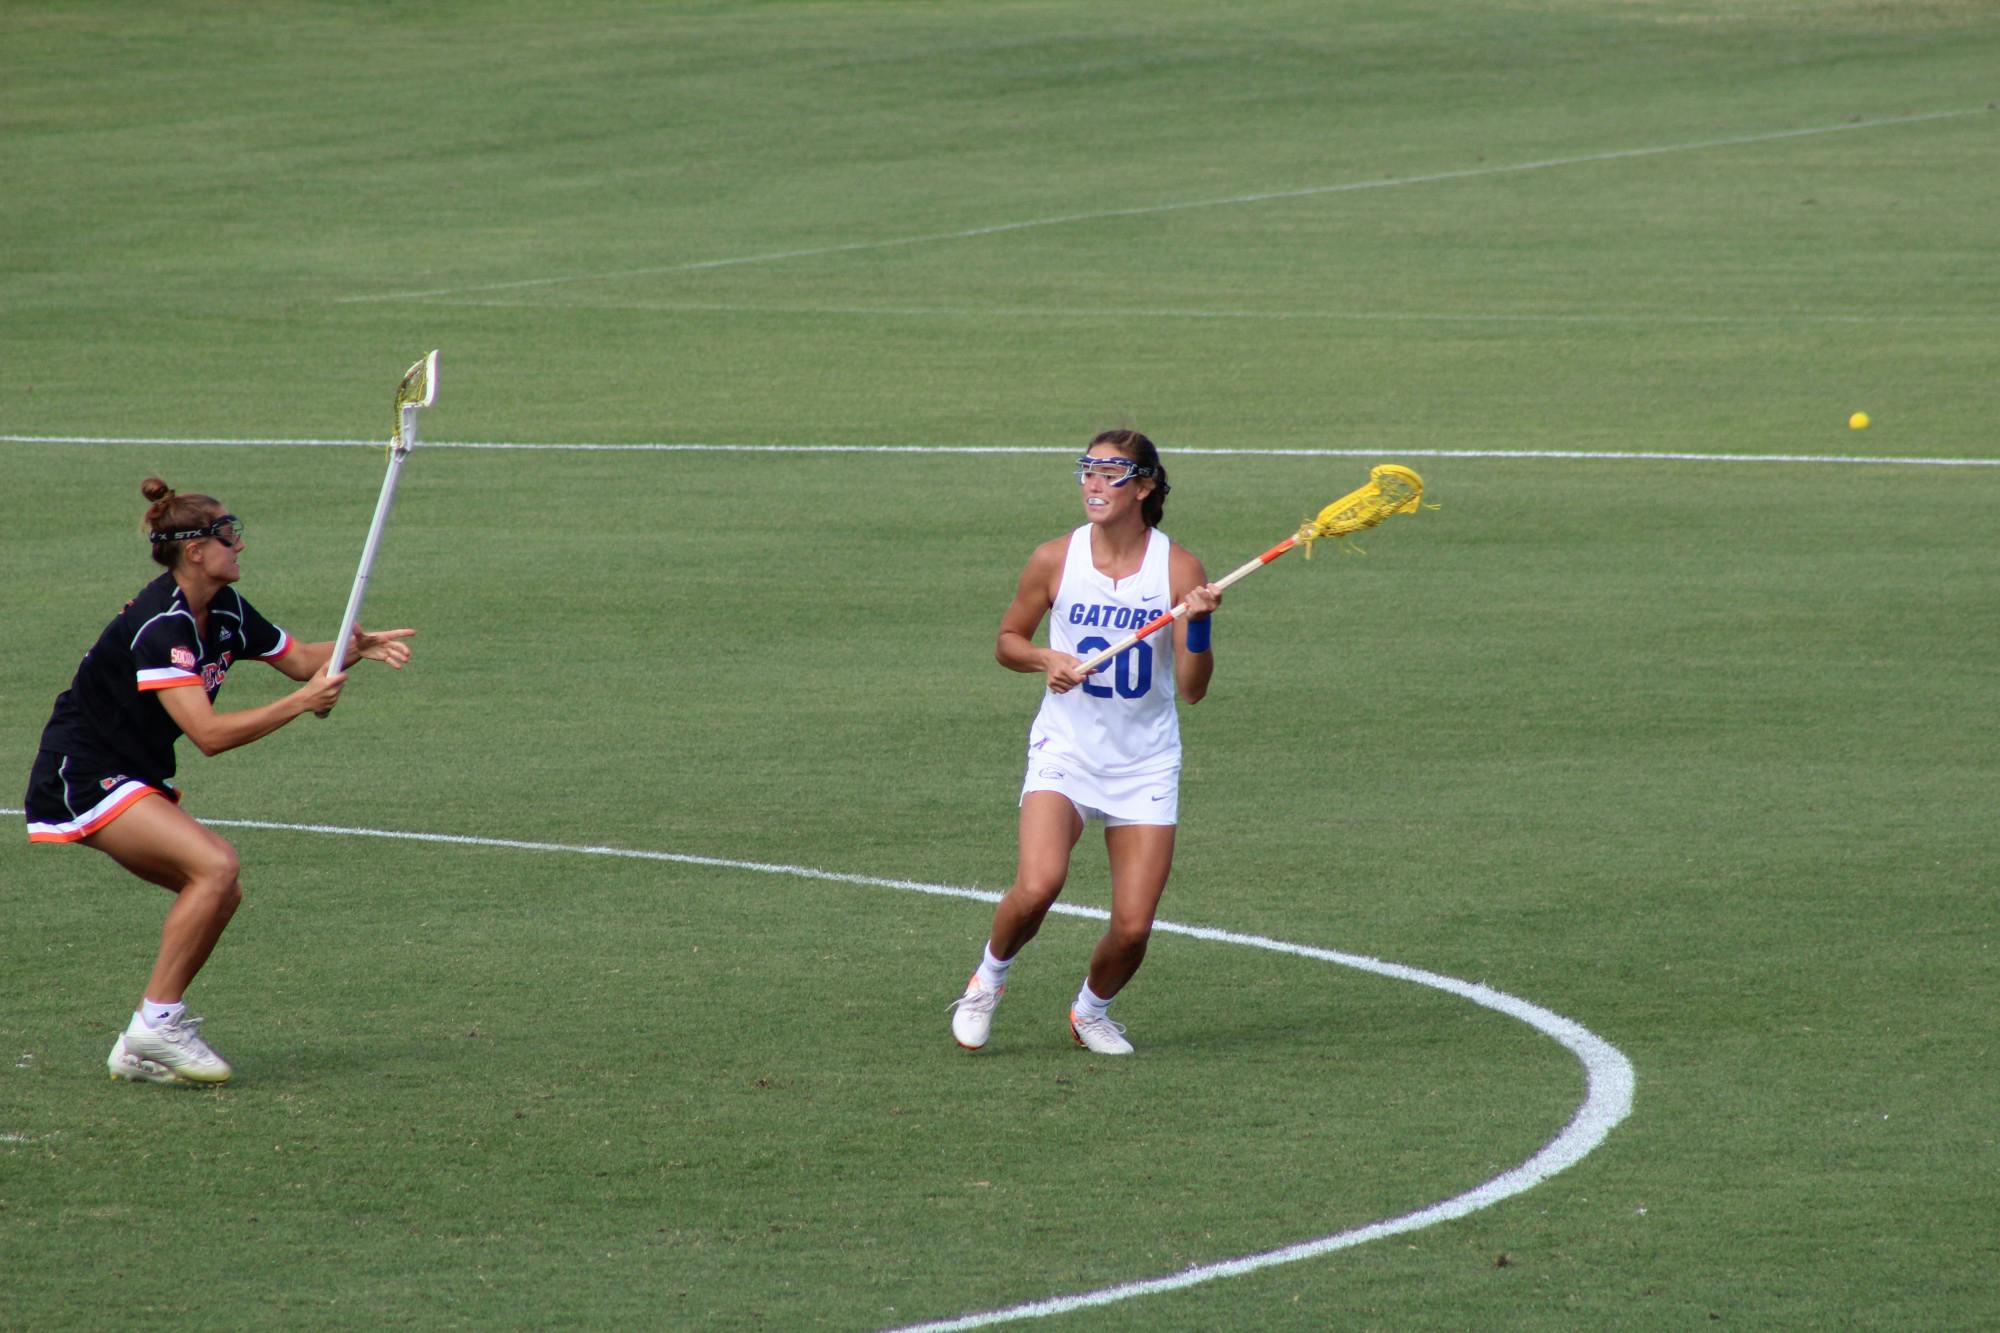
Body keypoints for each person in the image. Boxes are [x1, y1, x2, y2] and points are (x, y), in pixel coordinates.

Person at [23, 477, 415, 1086]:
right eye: (227, 534)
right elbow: (208, 735)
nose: (239, 545)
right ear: (195, 551)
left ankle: (141, 1044)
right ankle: (157, 1023)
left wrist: (351, 650)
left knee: (217, 888)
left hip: (133, 769)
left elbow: (300, 661)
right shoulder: (162, 626)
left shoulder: (225, 608)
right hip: (84, 770)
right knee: (215, 866)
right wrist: (300, 704)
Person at [948, 429, 1222, 1056]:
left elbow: (1193, 688)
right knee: (1040, 884)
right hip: (1065, 751)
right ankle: (987, 981)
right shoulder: (1055, 558)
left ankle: (1090, 1012)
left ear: (1145, 487)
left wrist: (1199, 625)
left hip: (1145, 761)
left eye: (1111, 472)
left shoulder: (1179, 569)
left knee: (1132, 928)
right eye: (1087, 469)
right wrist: (1046, 659)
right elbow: (1007, 641)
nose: (1093, 483)